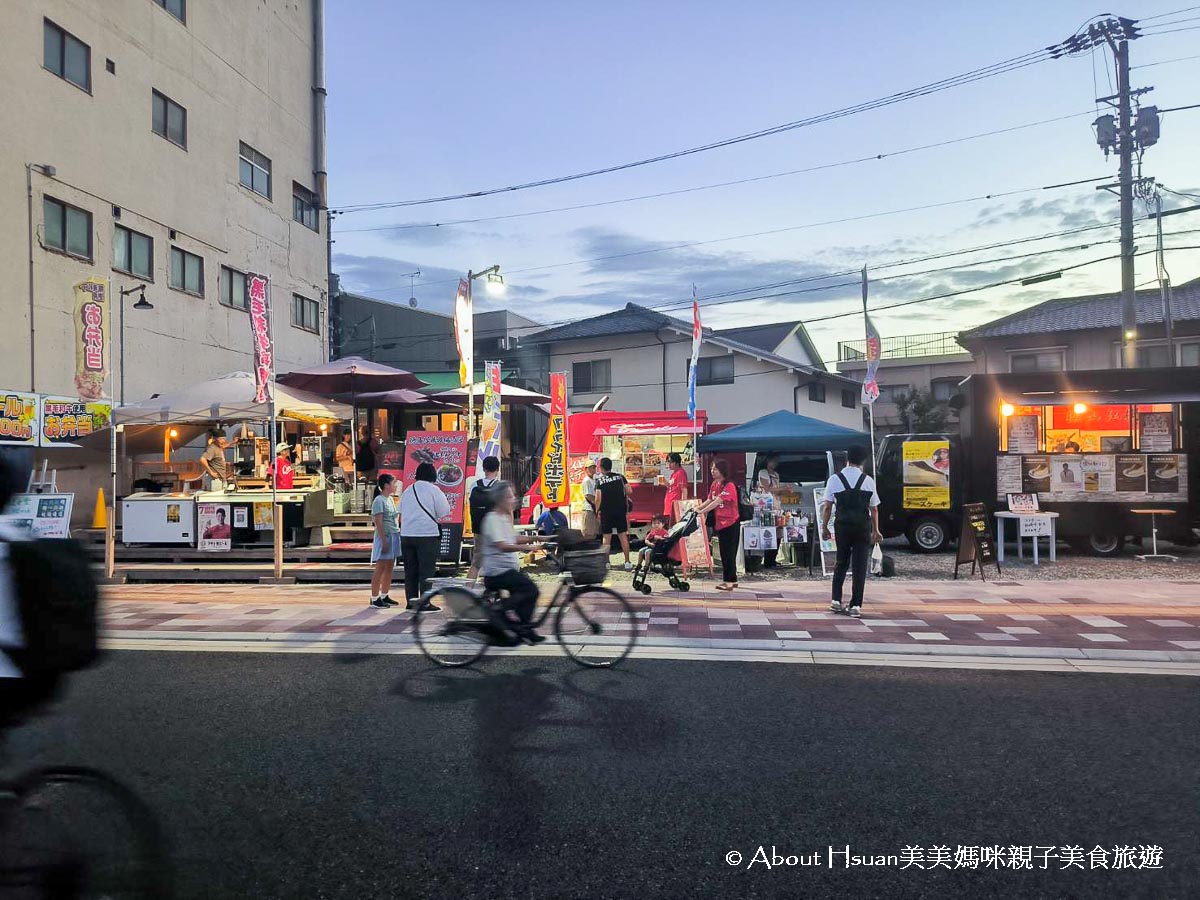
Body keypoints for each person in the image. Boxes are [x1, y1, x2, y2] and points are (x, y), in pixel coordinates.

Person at [477, 481, 548, 643]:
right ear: (500, 499)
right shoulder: (492, 519)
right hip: (496, 572)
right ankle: (499, 611)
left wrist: (536, 537)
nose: (513, 499)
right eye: (509, 496)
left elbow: (514, 538)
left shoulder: (503, 518)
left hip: (507, 570)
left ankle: (524, 628)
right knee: (531, 590)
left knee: (527, 592)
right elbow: (502, 545)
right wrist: (527, 547)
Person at [820, 445, 882, 619]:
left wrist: (825, 527)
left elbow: (827, 507)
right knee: (860, 566)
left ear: (847, 458)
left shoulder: (835, 479)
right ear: (863, 461)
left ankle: (836, 601)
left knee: (841, 561)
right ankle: (855, 605)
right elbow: (874, 509)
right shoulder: (868, 480)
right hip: (862, 526)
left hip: (842, 526)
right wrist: (876, 530)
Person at [399, 462, 451, 612]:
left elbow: (400, 512)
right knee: (426, 570)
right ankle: (425, 603)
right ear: (432, 475)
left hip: (407, 534)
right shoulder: (434, 490)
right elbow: (444, 511)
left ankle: (411, 601)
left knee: (410, 570)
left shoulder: (408, 490)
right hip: (427, 534)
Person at [697, 458, 741, 591]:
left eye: (715, 469)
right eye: (711, 469)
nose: (712, 471)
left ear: (722, 470)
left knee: (729, 553)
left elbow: (718, 501)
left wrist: (702, 511)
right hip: (720, 523)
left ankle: (729, 581)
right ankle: (731, 580)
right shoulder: (715, 484)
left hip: (731, 523)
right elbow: (710, 499)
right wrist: (697, 508)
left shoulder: (729, 485)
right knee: (724, 553)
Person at [593, 457, 633, 570]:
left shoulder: (599, 481)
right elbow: (629, 490)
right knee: (623, 536)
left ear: (601, 468)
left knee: (607, 537)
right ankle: (627, 561)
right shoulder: (620, 477)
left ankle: (607, 563)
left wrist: (597, 511)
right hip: (620, 510)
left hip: (606, 512)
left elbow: (597, 498)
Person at [466, 456, 502, 581]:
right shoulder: (500, 486)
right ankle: (494, 593)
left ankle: (467, 590)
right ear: (497, 469)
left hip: (479, 529)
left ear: (484, 468)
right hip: (496, 530)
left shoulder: (474, 485)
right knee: (497, 562)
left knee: (476, 562)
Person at [369, 473, 401, 608]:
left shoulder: (390, 499)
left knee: (389, 566)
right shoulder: (379, 500)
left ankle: (384, 594)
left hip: (393, 535)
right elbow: (379, 522)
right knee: (380, 567)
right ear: (386, 485)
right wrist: (383, 541)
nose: (396, 485)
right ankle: (374, 597)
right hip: (385, 536)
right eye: (394, 483)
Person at [755, 454, 784, 568]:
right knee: (769, 532)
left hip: (777, 505)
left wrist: (784, 491)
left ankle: (773, 559)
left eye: (776, 461)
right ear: (767, 462)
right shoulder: (763, 472)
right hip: (767, 505)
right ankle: (767, 560)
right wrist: (783, 488)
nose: (775, 464)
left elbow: (776, 490)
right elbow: (767, 488)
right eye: (773, 461)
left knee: (779, 532)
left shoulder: (776, 474)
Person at [663, 452, 689, 522]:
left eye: (671, 462)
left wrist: (683, 505)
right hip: (669, 505)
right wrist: (664, 481)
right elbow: (670, 487)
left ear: (677, 463)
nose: (669, 464)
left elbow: (684, 489)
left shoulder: (681, 473)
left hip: (675, 505)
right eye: (668, 462)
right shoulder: (674, 473)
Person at [580, 459, 599, 538]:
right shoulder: (586, 480)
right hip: (589, 509)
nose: (592, 469)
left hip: (593, 509)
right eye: (590, 468)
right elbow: (588, 496)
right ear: (586, 469)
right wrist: (597, 502)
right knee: (588, 532)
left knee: (594, 531)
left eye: (594, 467)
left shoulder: (593, 480)